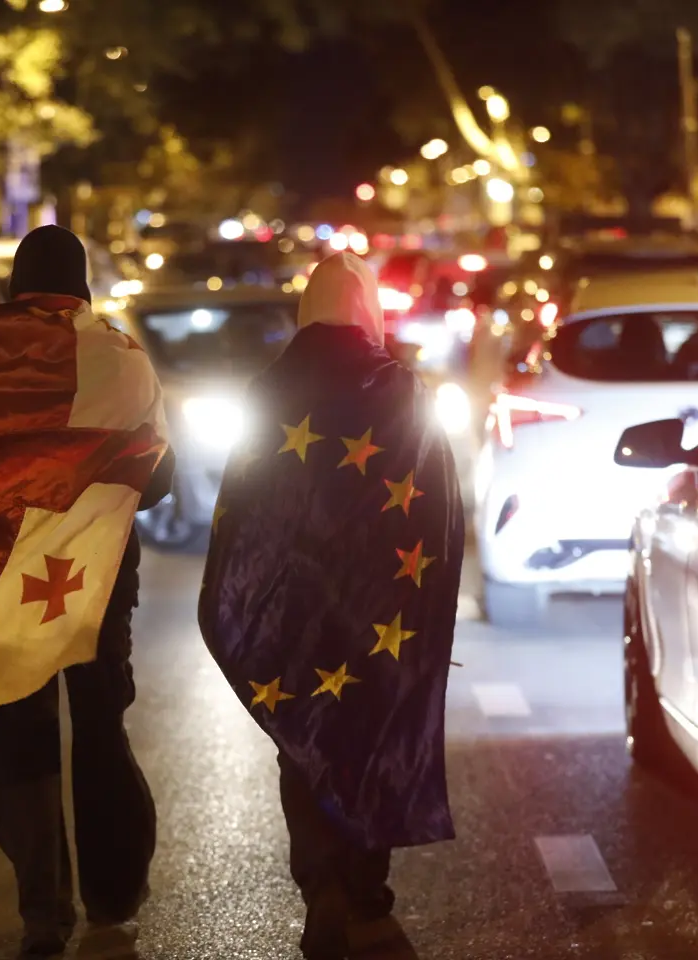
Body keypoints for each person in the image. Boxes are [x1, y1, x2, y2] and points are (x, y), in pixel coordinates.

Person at [0, 225, 175, 958]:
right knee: (98, 725)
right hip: (94, 575)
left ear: (14, 284)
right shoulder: (118, 355)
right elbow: (156, 479)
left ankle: (42, 913)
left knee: (18, 732)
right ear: (81, 281)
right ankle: (112, 895)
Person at [198, 252, 464, 959]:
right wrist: (430, 604)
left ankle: (321, 885)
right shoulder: (403, 391)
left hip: (296, 610)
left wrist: (247, 597)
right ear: (368, 311)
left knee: (303, 741)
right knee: (368, 738)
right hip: (381, 609)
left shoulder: (268, 391)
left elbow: (245, 509)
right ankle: (366, 890)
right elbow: (437, 509)